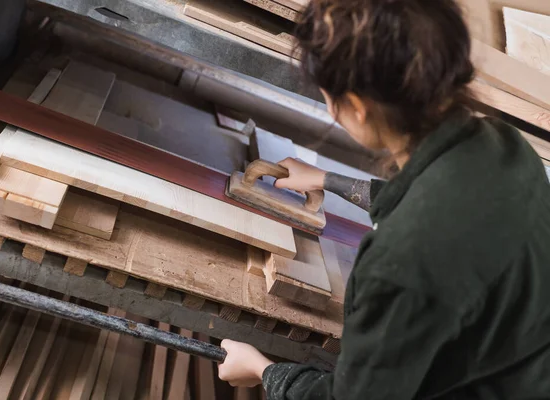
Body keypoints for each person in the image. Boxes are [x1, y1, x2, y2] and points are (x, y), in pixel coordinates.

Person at [217, 0, 550, 398]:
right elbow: (432, 198)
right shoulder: (501, 144)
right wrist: (325, 179)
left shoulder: (400, 262)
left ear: (357, 106)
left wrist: (264, 370)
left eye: (329, 97)